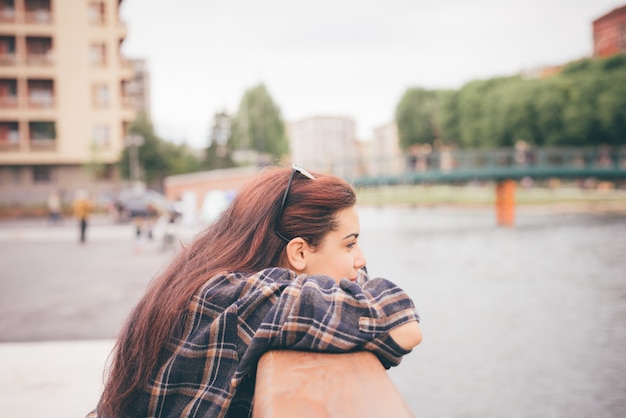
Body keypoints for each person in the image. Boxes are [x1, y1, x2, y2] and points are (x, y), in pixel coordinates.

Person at [88, 165, 422, 418]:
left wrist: (346, 270)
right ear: (300, 253)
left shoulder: (208, 277)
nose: (361, 259)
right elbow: (401, 324)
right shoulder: (247, 298)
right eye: (350, 244)